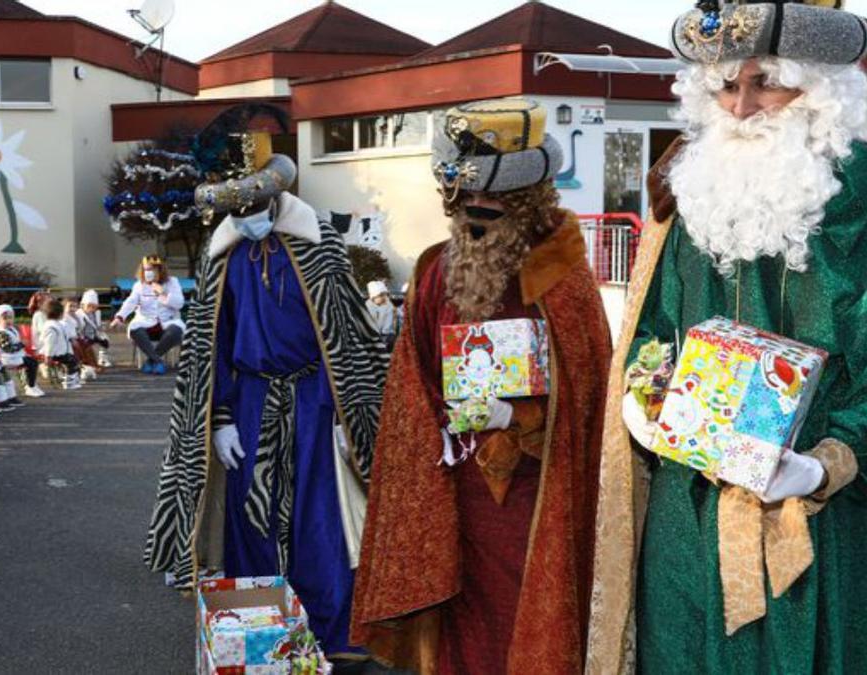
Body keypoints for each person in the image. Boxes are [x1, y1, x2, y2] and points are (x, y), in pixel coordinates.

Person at [589, 3, 867, 673]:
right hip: (691, 520)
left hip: (814, 529)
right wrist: (642, 396)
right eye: (724, 86)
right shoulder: (691, 190)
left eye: (766, 81)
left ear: (821, 90)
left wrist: (828, 461)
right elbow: (653, 330)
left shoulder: (858, 200)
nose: (743, 107)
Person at [351, 98, 611, 674]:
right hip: (453, 495)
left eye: (491, 202)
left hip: (535, 499)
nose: (474, 212)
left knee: (528, 622)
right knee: (459, 628)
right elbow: (411, 383)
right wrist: (431, 437)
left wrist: (517, 420)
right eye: (464, 199)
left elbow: (589, 400)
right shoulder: (436, 270)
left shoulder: (562, 277)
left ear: (525, 202)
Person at [144, 104, 389, 661]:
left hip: (315, 401)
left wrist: (348, 415)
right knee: (250, 521)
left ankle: (333, 633)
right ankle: (260, 639)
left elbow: (346, 337)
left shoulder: (317, 242)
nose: (246, 217)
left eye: (253, 206)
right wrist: (221, 419)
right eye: (236, 208)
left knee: (319, 521)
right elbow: (213, 346)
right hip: (251, 401)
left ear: (272, 196)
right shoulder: (222, 255)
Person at [112, 255, 185, 375]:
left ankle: (151, 361)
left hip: (167, 322)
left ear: (160, 270)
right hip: (146, 321)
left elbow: (179, 304)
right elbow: (130, 302)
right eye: (146, 269)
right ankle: (157, 361)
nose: (149, 272)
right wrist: (119, 317)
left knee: (176, 331)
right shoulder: (139, 285)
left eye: (152, 269)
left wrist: (164, 292)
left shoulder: (172, 282)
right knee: (135, 329)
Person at [0, 304, 45, 398]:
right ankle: (30, 386)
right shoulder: (1, 333)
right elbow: (8, 348)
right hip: (7, 358)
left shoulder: (11, 329)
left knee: (32, 361)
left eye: (10, 318)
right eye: (5, 318)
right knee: (32, 363)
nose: (8, 320)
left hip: (16, 356)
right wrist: (22, 344)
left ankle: (30, 383)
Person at [40, 299, 82, 390]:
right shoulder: (51, 327)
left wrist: (72, 339)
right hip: (54, 353)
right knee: (71, 361)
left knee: (74, 360)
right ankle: (68, 382)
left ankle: (73, 380)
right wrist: (48, 356)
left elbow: (67, 334)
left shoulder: (59, 324)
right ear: (60, 314)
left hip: (61, 351)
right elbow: (49, 343)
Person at [364, 280, 398, 350]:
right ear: (373, 297)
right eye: (380, 295)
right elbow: (367, 321)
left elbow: (389, 321)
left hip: (385, 332)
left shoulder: (388, 306)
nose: (384, 298)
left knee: (391, 338)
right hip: (371, 332)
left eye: (385, 295)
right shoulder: (368, 306)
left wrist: (385, 332)